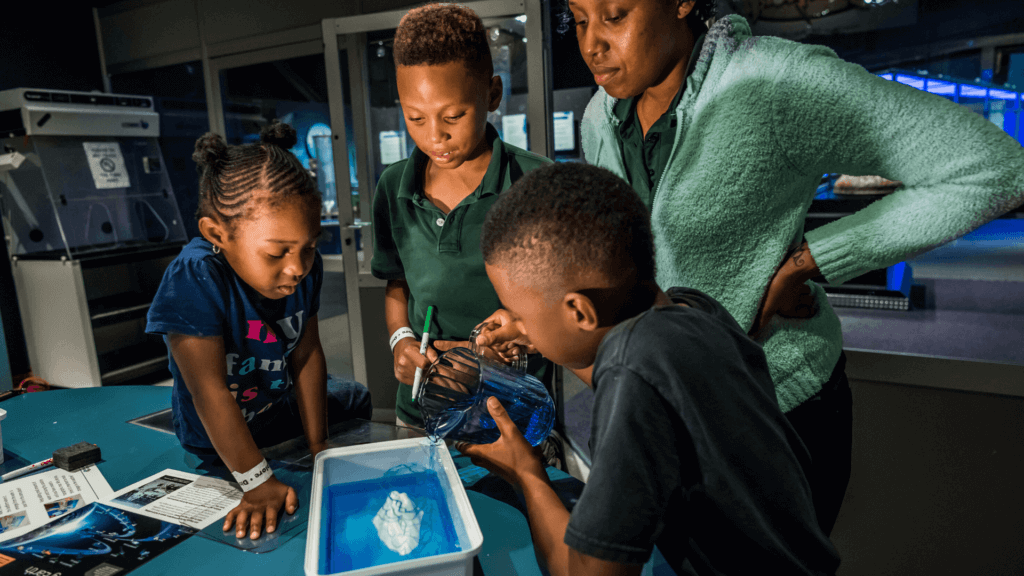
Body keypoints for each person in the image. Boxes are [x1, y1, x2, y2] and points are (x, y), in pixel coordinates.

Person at [555, 0, 1024, 533]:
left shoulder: (776, 81)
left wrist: (810, 260)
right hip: (665, 410)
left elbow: (994, 168)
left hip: (773, 412)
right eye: (579, 20)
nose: (591, 44)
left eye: (615, 16)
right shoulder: (600, 117)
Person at [462, 162, 841, 576]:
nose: (516, 324)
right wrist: (540, 332)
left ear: (579, 312)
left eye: (518, 313)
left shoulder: (633, 372)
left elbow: (588, 573)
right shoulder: (693, 310)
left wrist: (526, 473)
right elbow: (632, 373)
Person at [146, 123, 372, 541]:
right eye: (276, 252)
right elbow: (209, 391)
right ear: (217, 234)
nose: (297, 267)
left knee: (354, 396)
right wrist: (256, 482)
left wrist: (318, 446)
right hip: (215, 437)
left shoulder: (305, 269)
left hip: (271, 410)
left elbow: (307, 352)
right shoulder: (195, 276)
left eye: (308, 247)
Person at [371, 3, 553, 428]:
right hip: (421, 412)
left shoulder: (539, 184)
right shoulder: (393, 187)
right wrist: (401, 340)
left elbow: (568, 309)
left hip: (512, 415)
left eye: (453, 116)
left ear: (492, 94)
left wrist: (508, 349)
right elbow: (397, 282)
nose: (435, 136)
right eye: (415, 118)